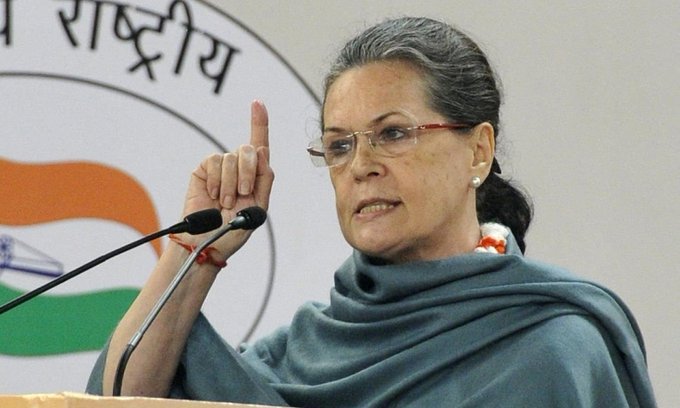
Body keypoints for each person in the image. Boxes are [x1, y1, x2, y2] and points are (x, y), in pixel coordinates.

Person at [87, 17, 656, 407]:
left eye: (393, 134)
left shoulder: (550, 347)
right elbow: (116, 401)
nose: (361, 166)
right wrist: (195, 252)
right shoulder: (305, 351)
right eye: (339, 145)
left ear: (478, 151)